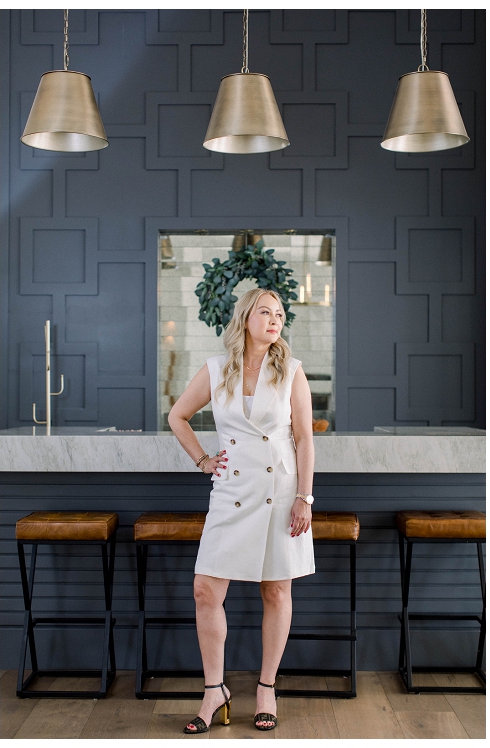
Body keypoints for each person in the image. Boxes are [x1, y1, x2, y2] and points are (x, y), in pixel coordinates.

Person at [167, 287, 315, 733]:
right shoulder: (216, 369)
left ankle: (266, 686)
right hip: (230, 491)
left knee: (276, 591)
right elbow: (178, 416)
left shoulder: (290, 370)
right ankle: (215, 690)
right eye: (265, 312)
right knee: (205, 590)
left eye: (280, 314)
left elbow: (305, 438)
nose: (275, 320)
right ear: (246, 317)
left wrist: (304, 498)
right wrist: (203, 461)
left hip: (281, 490)